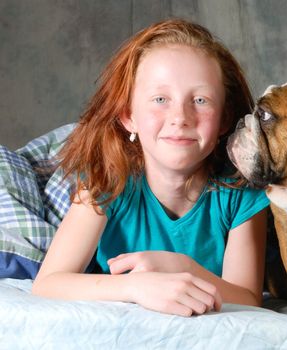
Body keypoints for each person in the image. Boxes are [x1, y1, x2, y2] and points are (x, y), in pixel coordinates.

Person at [32, 19, 270, 317]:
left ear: (224, 119)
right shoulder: (107, 181)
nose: (180, 117)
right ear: (128, 116)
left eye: (200, 100)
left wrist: (183, 268)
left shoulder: (240, 190)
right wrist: (137, 287)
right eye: (160, 99)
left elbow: (248, 297)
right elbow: (49, 283)